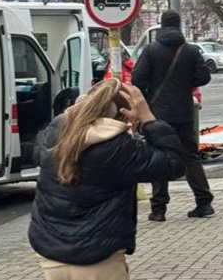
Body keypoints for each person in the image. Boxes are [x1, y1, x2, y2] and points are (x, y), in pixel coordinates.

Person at [28, 79, 186, 280]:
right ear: (126, 115)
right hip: (98, 255)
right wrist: (148, 119)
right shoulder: (119, 148)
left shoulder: (56, 131)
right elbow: (174, 164)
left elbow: (37, 154)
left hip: (51, 253)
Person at [132, 9, 214, 222]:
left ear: (161, 25)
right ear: (178, 26)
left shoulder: (151, 50)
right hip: (184, 112)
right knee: (190, 156)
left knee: (159, 157)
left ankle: (159, 209)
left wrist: (150, 93)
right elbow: (204, 77)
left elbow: (137, 79)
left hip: (158, 114)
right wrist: (185, 83)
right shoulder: (190, 50)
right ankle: (203, 202)